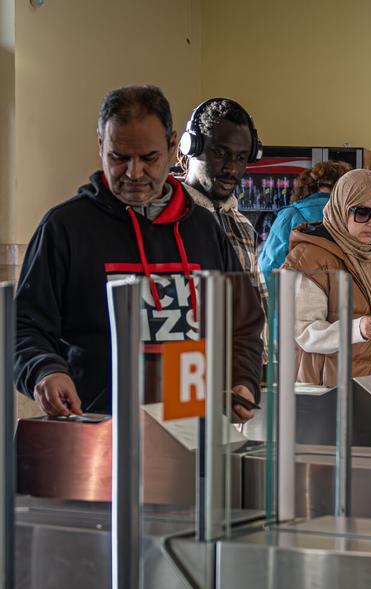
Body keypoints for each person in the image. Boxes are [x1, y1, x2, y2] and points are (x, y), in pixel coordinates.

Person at [14, 85, 263, 420]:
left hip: (193, 431)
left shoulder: (204, 229)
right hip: (99, 432)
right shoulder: (65, 227)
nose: (134, 173)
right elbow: (23, 326)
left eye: (149, 158)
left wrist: (242, 380)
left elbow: (243, 324)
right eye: (119, 157)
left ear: (173, 146)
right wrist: (45, 370)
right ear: (101, 144)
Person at [281, 169, 371, 386]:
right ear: (340, 209)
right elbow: (303, 332)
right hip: (329, 388)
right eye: (362, 212)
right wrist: (357, 329)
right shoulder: (310, 256)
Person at [179, 98, 266, 300]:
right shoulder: (167, 219)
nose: (231, 168)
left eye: (241, 157)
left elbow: (258, 308)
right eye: (219, 153)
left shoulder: (243, 226)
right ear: (192, 146)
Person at [259, 160, 351, 276]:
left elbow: (268, 266)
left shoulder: (290, 215)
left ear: (307, 186)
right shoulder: (357, 216)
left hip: (298, 290)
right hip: (343, 289)